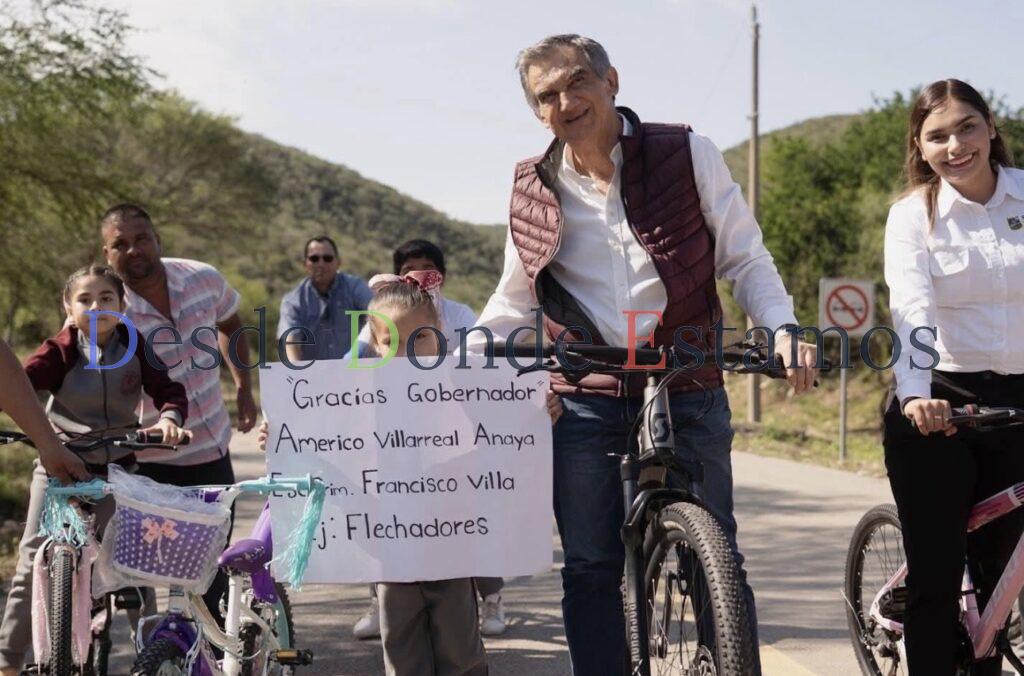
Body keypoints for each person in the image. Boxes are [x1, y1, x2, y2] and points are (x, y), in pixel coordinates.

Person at [466, 34, 819, 673]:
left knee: (718, 558)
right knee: (592, 567)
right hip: (587, 396)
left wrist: (783, 328)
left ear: (612, 82)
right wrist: (453, 370)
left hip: (687, 381)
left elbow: (744, 257)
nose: (566, 101)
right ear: (537, 111)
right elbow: (514, 300)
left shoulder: (686, 152)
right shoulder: (531, 186)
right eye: (548, 95)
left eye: (578, 82)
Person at [883, 78, 1024, 675]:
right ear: (922, 146)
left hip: (1016, 396)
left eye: (967, 126)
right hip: (944, 398)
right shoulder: (914, 215)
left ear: (991, 128)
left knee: (999, 579)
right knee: (939, 579)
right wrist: (915, 395)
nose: (956, 145)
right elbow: (912, 306)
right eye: (937, 135)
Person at [0, 265, 189, 675]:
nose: (96, 307)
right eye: (84, 299)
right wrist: (42, 432)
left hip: (118, 469)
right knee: (31, 564)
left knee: (136, 567)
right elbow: (22, 387)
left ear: (122, 306)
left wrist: (170, 418)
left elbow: (168, 389)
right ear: (68, 307)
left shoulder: (135, 346)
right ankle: (8, 663)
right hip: (58, 469)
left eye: (106, 298)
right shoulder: (61, 349)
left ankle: (151, 659)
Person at [100, 203, 256, 624]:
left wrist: (244, 386)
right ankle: (153, 659)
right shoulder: (107, 306)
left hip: (210, 454)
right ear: (106, 253)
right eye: (120, 244)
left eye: (141, 239)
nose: (134, 250)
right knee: (140, 577)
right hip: (144, 461)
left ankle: (209, 662)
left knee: (210, 577)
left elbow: (232, 325)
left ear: (158, 240)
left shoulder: (202, 278)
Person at [347, 240, 507, 638]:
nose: (421, 277)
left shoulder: (461, 316)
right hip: (395, 436)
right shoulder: (378, 320)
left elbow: (484, 374)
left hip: (452, 433)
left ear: (443, 276)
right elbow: (350, 372)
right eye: (411, 270)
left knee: (466, 517)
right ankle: (379, 602)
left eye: (429, 270)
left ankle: (490, 599)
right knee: (389, 519)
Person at [278, 235, 373, 362]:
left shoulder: (355, 288)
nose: (321, 264)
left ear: (338, 262)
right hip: (314, 377)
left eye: (327, 258)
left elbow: (378, 315)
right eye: (314, 258)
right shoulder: (292, 302)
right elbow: (291, 340)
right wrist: (298, 373)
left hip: (356, 372)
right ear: (305, 264)